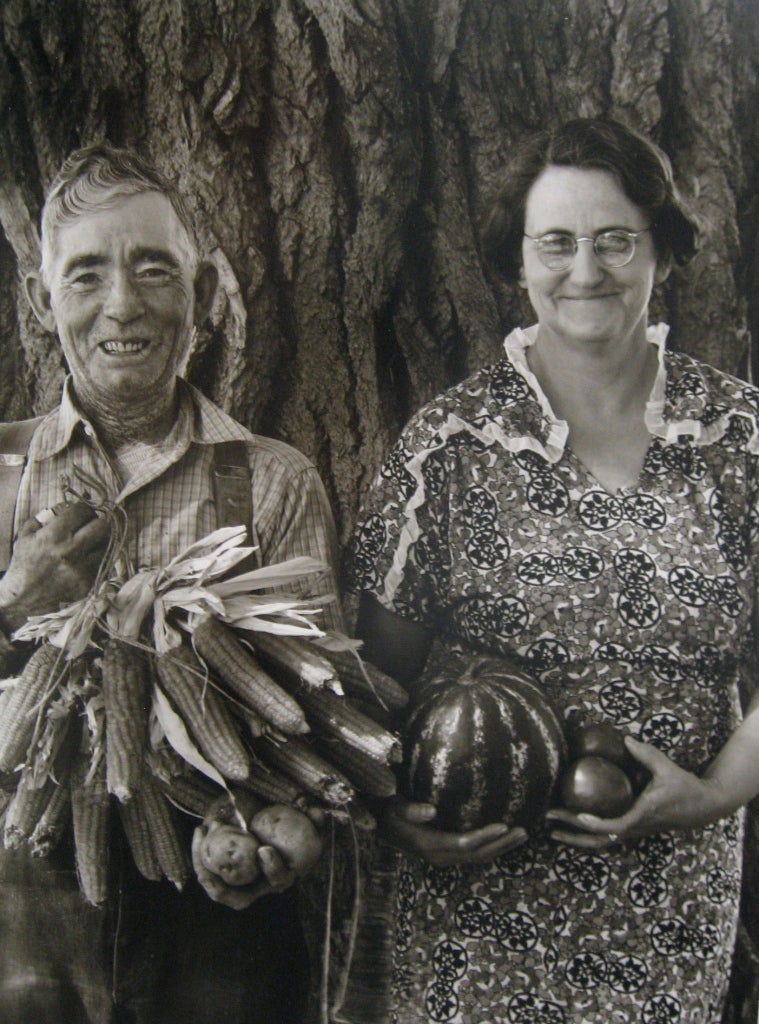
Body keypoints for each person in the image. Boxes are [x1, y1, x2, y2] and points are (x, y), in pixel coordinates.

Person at [346, 116, 759, 1023]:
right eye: (557, 243)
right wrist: (391, 814)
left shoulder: (739, 438)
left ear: (662, 249)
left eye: (616, 240)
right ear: (518, 259)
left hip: (672, 897)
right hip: (478, 902)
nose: (586, 271)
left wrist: (715, 793)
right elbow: (373, 678)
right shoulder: (446, 448)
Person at [0, 142, 343, 1024]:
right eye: (86, 275)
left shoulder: (273, 483)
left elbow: (320, 717)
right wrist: (14, 604)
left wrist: (285, 827)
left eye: (154, 268)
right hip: (20, 925)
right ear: (41, 303)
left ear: (201, 290)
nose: (123, 303)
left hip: (216, 919)